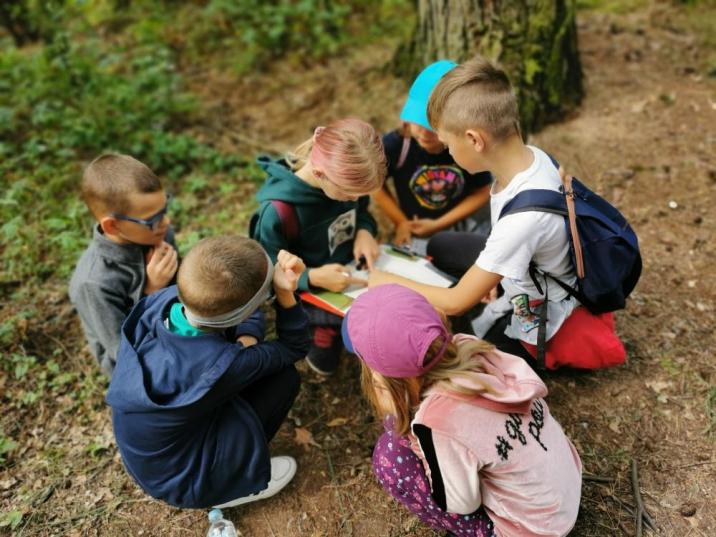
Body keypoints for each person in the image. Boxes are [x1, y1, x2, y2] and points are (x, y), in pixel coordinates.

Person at [369, 55, 625, 367]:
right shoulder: (532, 157)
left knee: (466, 358)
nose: (447, 151)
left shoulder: (523, 222)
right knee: (440, 246)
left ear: (474, 139)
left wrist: (387, 280)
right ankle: (492, 284)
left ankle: (536, 346)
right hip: (530, 266)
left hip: (541, 305)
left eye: (448, 145)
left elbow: (455, 303)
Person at [342, 284, 582, 537]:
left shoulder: (437, 420)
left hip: (533, 530)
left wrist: (417, 443)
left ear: (386, 381)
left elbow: (462, 503)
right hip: (564, 492)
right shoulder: (469, 346)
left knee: (390, 456)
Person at [105, 237, 311, 509]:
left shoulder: (160, 302)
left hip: (153, 460)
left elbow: (234, 311)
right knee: (284, 378)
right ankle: (231, 487)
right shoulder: (223, 366)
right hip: (187, 481)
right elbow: (293, 347)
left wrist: (247, 336)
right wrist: (284, 294)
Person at [250, 118, 387, 375]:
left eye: (359, 194)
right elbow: (267, 272)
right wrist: (312, 277)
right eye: (349, 195)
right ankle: (321, 327)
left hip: (352, 272)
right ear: (321, 173)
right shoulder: (278, 213)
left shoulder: (343, 185)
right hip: (309, 288)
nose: (354, 200)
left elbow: (362, 212)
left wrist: (365, 231)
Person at [69, 154, 178, 376]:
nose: (166, 223)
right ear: (112, 226)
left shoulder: (158, 234)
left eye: (165, 209)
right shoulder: (94, 283)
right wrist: (151, 293)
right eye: (153, 219)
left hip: (174, 326)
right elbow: (123, 351)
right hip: (134, 363)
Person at [373, 60, 492, 260]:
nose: (424, 132)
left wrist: (440, 224)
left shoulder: (466, 147)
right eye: (418, 121)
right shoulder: (396, 145)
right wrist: (401, 222)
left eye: (433, 125)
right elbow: (375, 185)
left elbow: (483, 190)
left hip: (462, 225)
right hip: (416, 228)